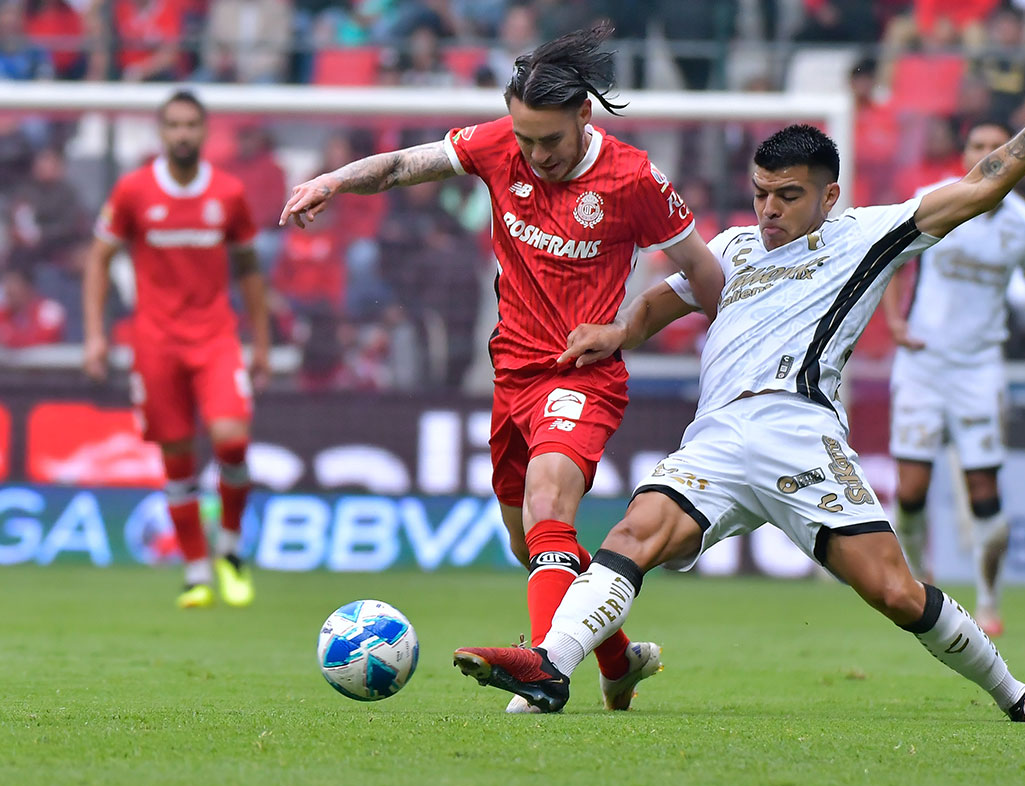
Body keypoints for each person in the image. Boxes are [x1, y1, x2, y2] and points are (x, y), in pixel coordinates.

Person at [451, 48, 1025, 724]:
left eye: (789, 196)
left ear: (829, 195)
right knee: (633, 534)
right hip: (716, 439)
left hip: (798, 434)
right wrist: (619, 331)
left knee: (895, 592)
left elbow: (981, 186)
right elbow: (660, 301)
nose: (769, 209)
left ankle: (1020, 697)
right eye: (761, 192)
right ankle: (551, 666)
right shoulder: (736, 247)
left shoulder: (869, 235)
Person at [280, 23, 726, 713]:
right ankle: (618, 659)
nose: (536, 155)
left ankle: (544, 672)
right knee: (534, 544)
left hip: (583, 373)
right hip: (512, 374)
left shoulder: (633, 178)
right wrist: (334, 180)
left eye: (550, 140)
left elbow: (705, 275)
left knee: (552, 504)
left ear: (584, 114)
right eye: (525, 140)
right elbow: (402, 167)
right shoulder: (496, 145)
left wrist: (626, 330)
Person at [83, 90, 267, 610]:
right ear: (161, 132)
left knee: (231, 441)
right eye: (174, 125)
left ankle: (229, 551)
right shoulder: (133, 191)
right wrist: (96, 336)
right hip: (156, 342)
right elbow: (98, 259)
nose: (183, 134)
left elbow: (249, 270)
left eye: (191, 125)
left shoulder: (227, 193)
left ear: (204, 131)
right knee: (178, 459)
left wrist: (262, 343)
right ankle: (195, 573)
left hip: (215, 338)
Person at [882, 120, 1025, 636]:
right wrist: (895, 322)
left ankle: (989, 597)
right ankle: (918, 584)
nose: (987, 153)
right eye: (978, 146)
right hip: (922, 365)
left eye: (995, 146)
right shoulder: (937, 201)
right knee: (910, 489)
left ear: (1013, 153)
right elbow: (890, 259)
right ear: (965, 155)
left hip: (981, 367)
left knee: (983, 486)